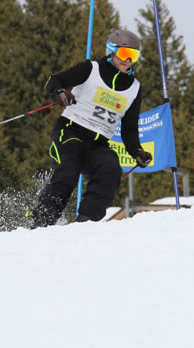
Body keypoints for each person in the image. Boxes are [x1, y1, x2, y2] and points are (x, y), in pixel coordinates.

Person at [31, 29, 152, 227]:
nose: (128, 60)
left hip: (97, 144)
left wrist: (137, 151)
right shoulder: (91, 69)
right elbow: (54, 80)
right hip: (70, 132)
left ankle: (84, 224)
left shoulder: (134, 88)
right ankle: (41, 223)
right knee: (68, 171)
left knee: (111, 170)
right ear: (111, 51)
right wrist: (59, 93)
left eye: (133, 55)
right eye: (124, 53)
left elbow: (129, 129)